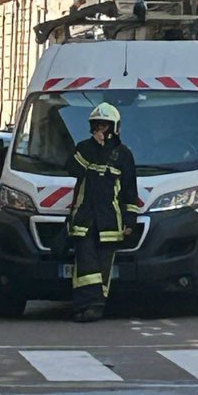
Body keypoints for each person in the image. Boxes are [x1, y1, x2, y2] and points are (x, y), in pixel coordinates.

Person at [66, 103, 138, 323]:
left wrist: (130, 220)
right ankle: (84, 304)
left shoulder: (123, 155)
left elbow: (129, 191)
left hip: (109, 222)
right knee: (85, 265)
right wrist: (92, 149)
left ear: (114, 127)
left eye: (105, 125)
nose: (101, 129)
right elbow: (72, 169)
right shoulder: (83, 148)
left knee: (102, 267)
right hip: (85, 219)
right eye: (97, 125)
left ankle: (96, 306)